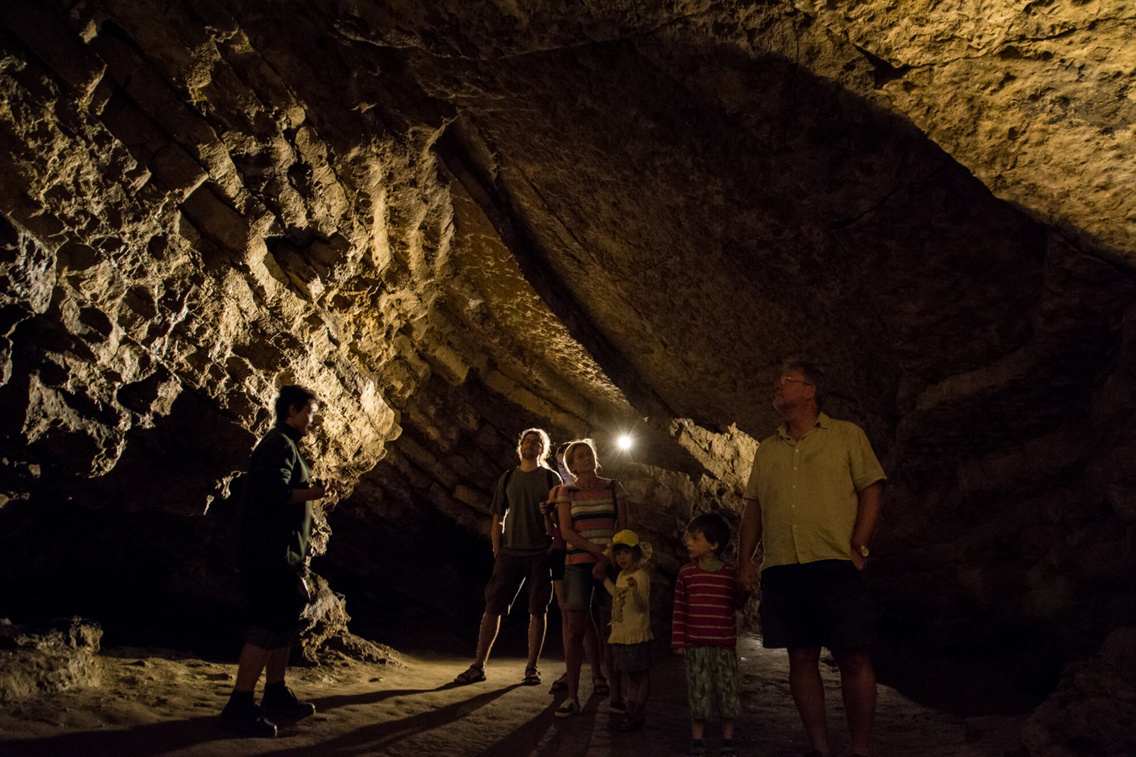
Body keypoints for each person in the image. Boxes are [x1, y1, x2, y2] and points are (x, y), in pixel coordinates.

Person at [737, 358, 886, 757]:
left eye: (785, 381)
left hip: (834, 562)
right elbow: (754, 508)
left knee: (853, 655)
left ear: (809, 390)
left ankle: (860, 749)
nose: (776, 386)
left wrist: (859, 545)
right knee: (801, 656)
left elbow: (872, 489)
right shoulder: (766, 450)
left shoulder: (846, 436)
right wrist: (745, 560)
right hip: (784, 566)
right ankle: (819, 747)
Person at [221, 385, 337, 737]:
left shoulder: (287, 447)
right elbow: (275, 494)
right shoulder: (277, 445)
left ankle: (274, 693)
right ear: (292, 410)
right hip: (266, 555)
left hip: (281, 555)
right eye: (309, 415)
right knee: (265, 625)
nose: (311, 422)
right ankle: (239, 705)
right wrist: (317, 492)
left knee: (286, 619)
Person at [453, 428, 561, 687]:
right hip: (510, 553)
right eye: (527, 440)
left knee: (538, 609)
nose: (531, 445)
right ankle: (478, 665)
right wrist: (497, 550)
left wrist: (551, 539)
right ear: (520, 445)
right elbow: (497, 517)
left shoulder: (550, 478)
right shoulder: (508, 477)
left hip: (539, 553)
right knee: (493, 607)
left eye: (537, 442)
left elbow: (558, 520)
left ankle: (531, 668)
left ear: (542, 450)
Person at [555, 438, 629, 718]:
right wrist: (597, 552)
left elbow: (624, 530)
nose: (586, 459)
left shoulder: (614, 488)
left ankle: (617, 695)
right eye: (579, 456)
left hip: (610, 566)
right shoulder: (567, 491)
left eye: (589, 454)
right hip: (577, 566)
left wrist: (606, 559)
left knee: (612, 630)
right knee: (575, 628)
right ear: (571, 465)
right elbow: (567, 531)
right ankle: (572, 696)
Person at [673, 512, 747, 757]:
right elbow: (680, 608)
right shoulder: (686, 574)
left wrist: (744, 590)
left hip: (724, 647)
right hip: (696, 646)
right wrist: (679, 640)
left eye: (695, 538)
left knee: (728, 693)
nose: (689, 543)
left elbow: (736, 603)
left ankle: (727, 741)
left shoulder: (729, 575)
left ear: (713, 545)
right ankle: (698, 741)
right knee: (698, 692)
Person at [546, 443, 602, 696]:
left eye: (566, 463)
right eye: (559, 465)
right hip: (560, 553)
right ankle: (572, 673)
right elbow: (553, 531)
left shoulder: (592, 489)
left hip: (583, 555)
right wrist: (546, 514)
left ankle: (597, 674)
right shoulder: (557, 491)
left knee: (586, 617)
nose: (564, 469)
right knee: (570, 616)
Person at [602, 529, 654, 731]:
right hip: (623, 634)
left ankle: (637, 712)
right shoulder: (621, 576)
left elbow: (642, 605)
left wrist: (634, 589)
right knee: (631, 676)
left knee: (641, 675)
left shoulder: (641, 577)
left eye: (626, 552)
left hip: (637, 634)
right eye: (618, 553)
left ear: (636, 554)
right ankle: (631, 712)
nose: (621, 557)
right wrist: (604, 580)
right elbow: (617, 595)